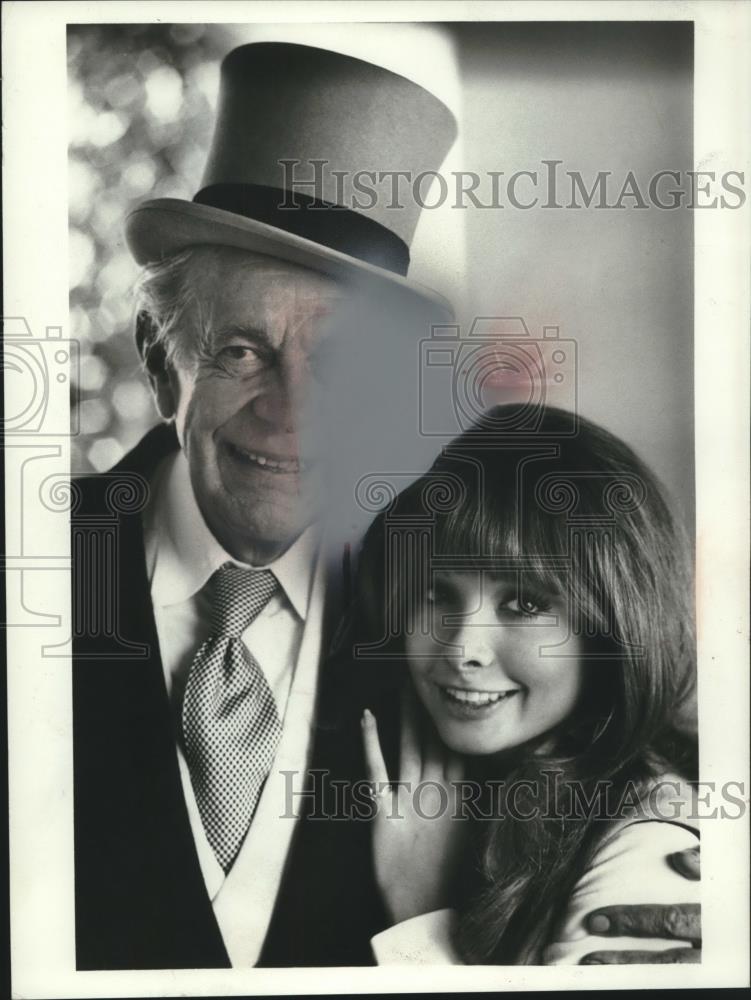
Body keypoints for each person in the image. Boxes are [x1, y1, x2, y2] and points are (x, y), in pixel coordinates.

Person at [71, 40, 701, 970]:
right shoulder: (37, 559)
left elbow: (610, 745)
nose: (291, 414)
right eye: (240, 350)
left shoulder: (438, 580)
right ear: (163, 359)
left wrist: (681, 880)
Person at [354, 405, 701, 964]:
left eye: (525, 602)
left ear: (613, 628)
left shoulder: (651, 854)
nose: (464, 648)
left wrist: (417, 917)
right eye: (435, 593)